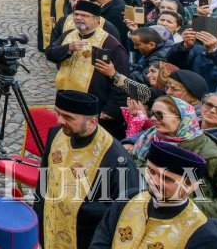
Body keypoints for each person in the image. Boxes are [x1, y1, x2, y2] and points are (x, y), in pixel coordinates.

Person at [32, 90, 140, 248]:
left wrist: (81, 207)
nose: (60, 120)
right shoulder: (57, 133)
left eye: (68, 117)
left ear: (93, 122)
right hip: (49, 229)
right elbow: (45, 178)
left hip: (84, 238)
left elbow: (125, 212)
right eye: (58, 113)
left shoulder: (116, 159)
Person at [88, 141, 217, 249]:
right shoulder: (129, 198)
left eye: (167, 179)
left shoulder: (203, 235)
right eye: (151, 171)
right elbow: (101, 242)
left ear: (191, 187)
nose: (153, 181)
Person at [53, 0, 131, 136]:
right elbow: (50, 53)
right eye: (76, 14)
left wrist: (111, 109)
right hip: (67, 99)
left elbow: (122, 79)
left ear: (97, 19)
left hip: (95, 107)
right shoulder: (68, 35)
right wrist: (68, 49)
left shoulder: (110, 43)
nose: (78, 18)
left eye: (84, 15)